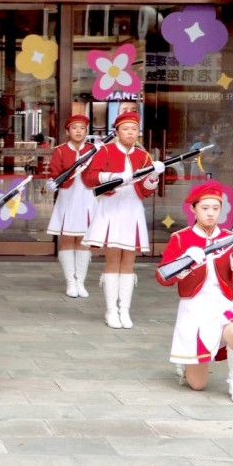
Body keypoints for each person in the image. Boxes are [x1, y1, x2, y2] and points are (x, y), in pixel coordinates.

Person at [155, 181, 233, 404]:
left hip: (222, 306)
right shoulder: (180, 238)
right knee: (197, 385)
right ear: (194, 209)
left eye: (215, 208)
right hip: (194, 311)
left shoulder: (231, 237)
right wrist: (186, 261)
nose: (211, 213)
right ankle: (186, 364)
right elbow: (163, 278)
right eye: (205, 208)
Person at [81, 111, 164, 329]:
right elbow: (90, 177)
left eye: (134, 129)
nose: (130, 133)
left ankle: (124, 310)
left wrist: (154, 177)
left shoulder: (143, 156)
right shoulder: (105, 150)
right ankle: (110, 310)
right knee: (112, 259)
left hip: (132, 210)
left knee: (129, 261)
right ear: (116, 131)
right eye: (125, 129)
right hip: (110, 208)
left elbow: (145, 191)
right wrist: (114, 177)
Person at [45, 115, 97, 298]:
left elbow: (97, 173)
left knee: (83, 240)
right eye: (74, 128)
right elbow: (54, 172)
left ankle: (80, 282)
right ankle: (70, 282)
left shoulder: (93, 150)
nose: (78, 131)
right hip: (67, 197)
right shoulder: (60, 150)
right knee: (67, 239)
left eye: (82, 128)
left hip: (87, 197)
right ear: (67, 131)